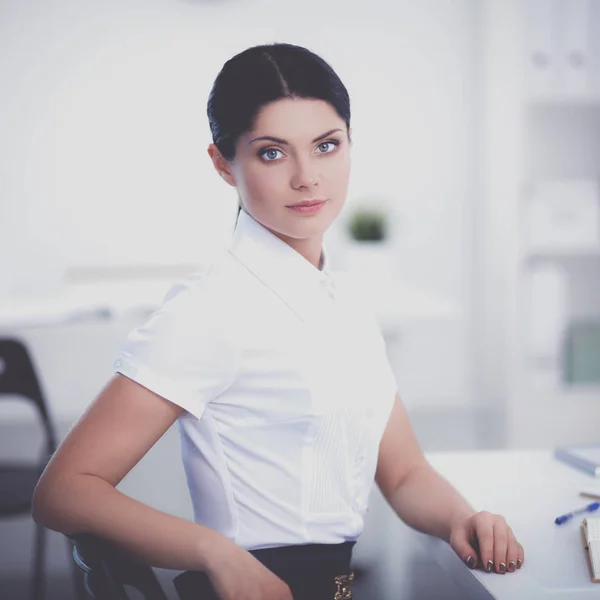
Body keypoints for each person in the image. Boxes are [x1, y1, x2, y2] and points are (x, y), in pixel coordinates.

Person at [32, 43, 524, 600]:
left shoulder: (345, 306)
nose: (307, 177)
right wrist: (214, 552)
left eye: (326, 146)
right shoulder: (209, 310)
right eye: (272, 153)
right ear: (223, 164)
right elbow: (64, 491)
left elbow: (405, 473)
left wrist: (461, 518)